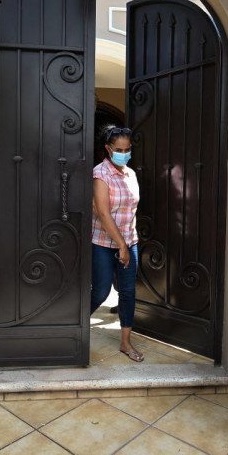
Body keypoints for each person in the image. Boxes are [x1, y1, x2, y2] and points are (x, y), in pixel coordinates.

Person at [91, 125, 144, 362]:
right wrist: (121, 245)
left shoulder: (130, 174)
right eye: (119, 149)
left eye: (127, 149)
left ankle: (125, 342)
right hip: (103, 242)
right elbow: (103, 213)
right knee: (101, 292)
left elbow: (131, 209)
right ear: (108, 149)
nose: (124, 153)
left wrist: (127, 242)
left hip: (129, 241)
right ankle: (74, 325)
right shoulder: (100, 174)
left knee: (128, 292)